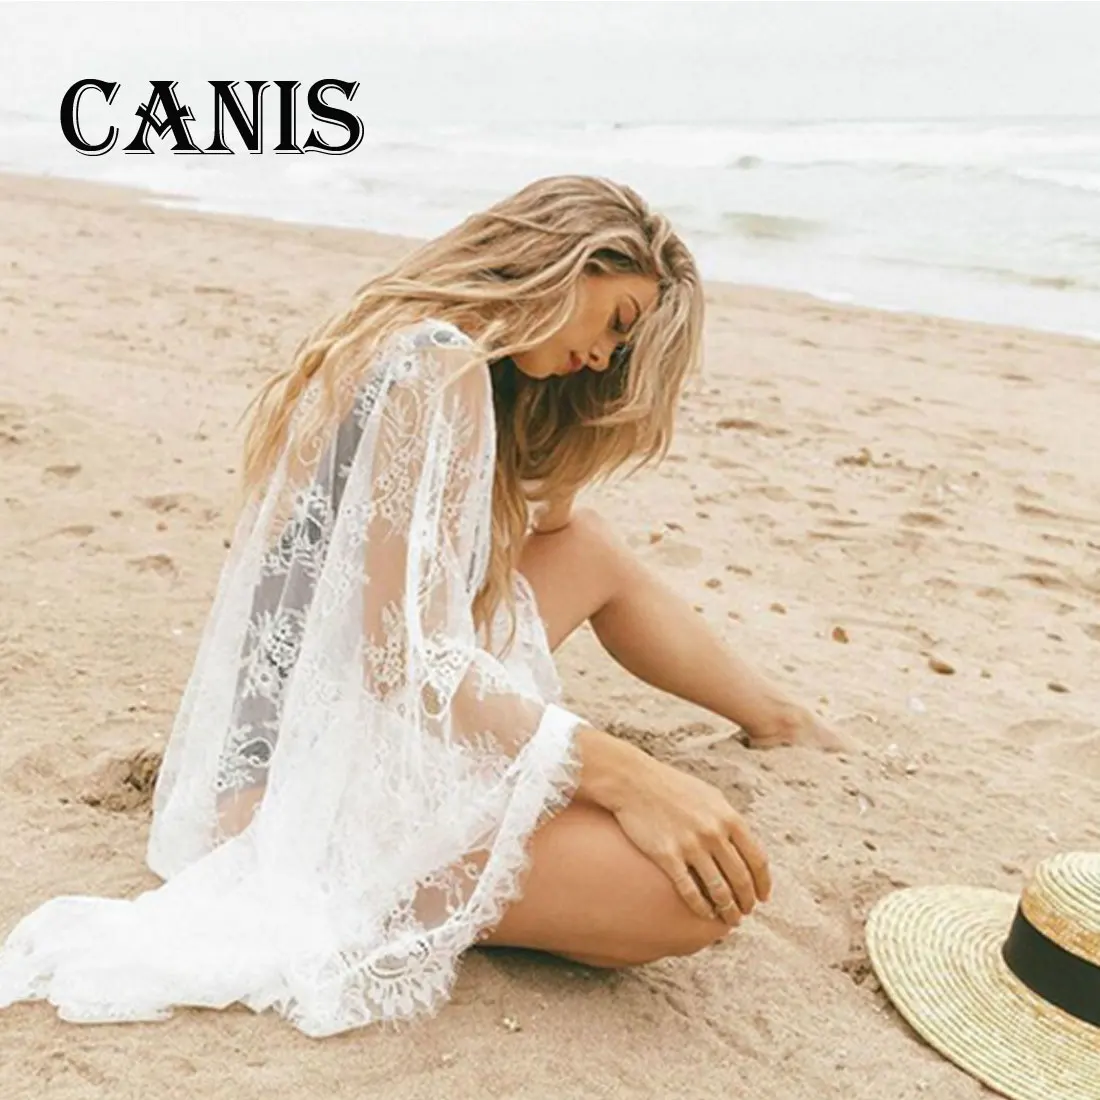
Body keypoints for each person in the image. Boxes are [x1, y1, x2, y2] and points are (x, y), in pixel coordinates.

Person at [0, 175, 844, 1037]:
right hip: (299, 790)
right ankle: (377, 892)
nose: (603, 358)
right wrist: (628, 773)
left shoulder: (443, 353)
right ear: (566, 260)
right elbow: (400, 659)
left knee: (589, 549)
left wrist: (568, 405)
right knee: (685, 900)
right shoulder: (434, 364)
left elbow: (554, 526)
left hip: (313, 727)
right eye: (616, 324)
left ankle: (779, 720)